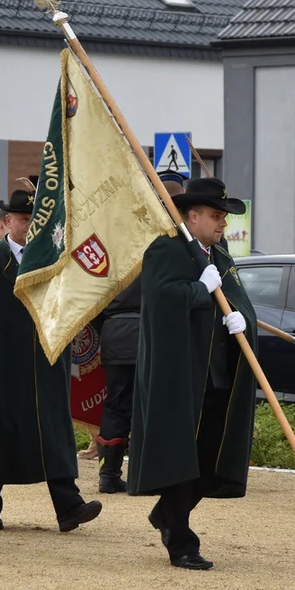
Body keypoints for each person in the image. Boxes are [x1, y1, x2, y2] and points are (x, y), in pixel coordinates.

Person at [128, 177, 258, 570]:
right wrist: (200, 291)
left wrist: (240, 321)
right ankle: (182, 542)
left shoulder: (219, 254)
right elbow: (160, 303)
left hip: (218, 373)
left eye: (223, 216)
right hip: (181, 375)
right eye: (216, 215)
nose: (222, 223)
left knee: (210, 456)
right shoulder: (167, 249)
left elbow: (237, 299)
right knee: (183, 458)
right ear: (192, 216)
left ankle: (167, 513)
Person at [0, 189, 102, 533]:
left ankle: (69, 507)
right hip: (3, 360)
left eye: (36, 220)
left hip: (48, 357)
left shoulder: (54, 257)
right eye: (24, 219)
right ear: (6, 222)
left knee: (52, 430)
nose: (29, 226)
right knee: (0, 430)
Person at [93, 170, 187, 493]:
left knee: (116, 405)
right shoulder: (173, 239)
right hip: (151, 332)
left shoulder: (121, 234)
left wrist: (104, 326)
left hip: (114, 332)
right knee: (154, 405)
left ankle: (108, 474)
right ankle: (149, 475)